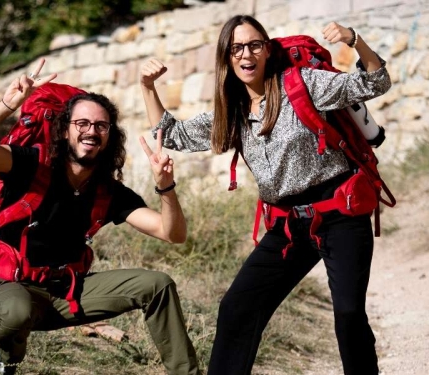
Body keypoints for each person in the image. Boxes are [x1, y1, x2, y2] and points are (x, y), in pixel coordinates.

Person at [139, 15, 391, 375]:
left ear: (268, 49)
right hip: (288, 227)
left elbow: (376, 81)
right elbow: (172, 135)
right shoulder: (233, 111)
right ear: (227, 57)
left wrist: (354, 39)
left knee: (349, 315)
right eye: (237, 48)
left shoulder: (303, 84)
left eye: (255, 45)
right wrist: (147, 86)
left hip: (339, 214)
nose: (247, 54)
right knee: (237, 309)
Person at [0, 59, 200, 375]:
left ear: (110, 135)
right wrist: (6, 105)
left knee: (157, 284)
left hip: (69, 293)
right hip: (14, 287)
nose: (91, 131)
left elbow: (172, 233)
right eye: (81, 123)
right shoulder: (31, 164)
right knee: (15, 314)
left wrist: (166, 187)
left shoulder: (108, 192)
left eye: (100, 125)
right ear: (65, 129)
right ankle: (5, 362)